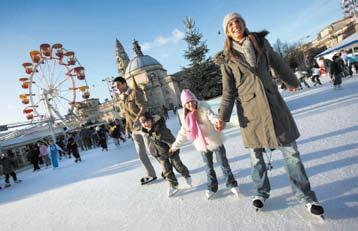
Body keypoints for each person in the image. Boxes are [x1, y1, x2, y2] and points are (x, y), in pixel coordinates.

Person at [214, 12, 324, 215]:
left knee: (291, 153)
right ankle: (261, 192)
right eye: (230, 25)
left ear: (243, 23)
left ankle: (306, 197)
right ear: (227, 33)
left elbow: (278, 62)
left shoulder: (261, 43)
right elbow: (229, 91)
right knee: (256, 157)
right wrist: (222, 117)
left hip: (273, 104)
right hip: (250, 112)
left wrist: (291, 81)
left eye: (237, 21)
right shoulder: (226, 59)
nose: (235, 25)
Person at [169, 89, 239, 199]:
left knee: (224, 164)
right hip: (202, 145)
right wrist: (174, 146)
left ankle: (231, 184)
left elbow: (212, 117)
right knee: (208, 167)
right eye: (187, 103)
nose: (190, 104)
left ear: (195, 100)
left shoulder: (204, 108)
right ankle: (212, 187)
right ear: (184, 105)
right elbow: (183, 133)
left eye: (191, 101)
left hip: (215, 140)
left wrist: (217, 121)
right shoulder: (186, 118)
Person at [113, 76, 157, 184]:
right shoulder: (123, 98)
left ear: (124, 84)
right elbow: (127, 115)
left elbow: (143, 107)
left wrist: (137, 119)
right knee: (141, 153)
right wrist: (127, 129)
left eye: (118, 85)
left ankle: (166, 169)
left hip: (143, 125)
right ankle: (151, 174)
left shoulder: (135, 92)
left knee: (151, 150)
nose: (117, 88)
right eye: (115, 87)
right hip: (134, 129)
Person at [139, 112, 191, 197]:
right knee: (166, 171)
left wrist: (173, 148)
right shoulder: (146, 131)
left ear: (152, 120)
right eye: (143, 123)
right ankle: (174, 185)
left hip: (171, 151)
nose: (146, 124)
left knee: (178, 166)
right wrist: (154, 153)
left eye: (147, 121)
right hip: (160, 154)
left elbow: (171, 140)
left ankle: (187, 176)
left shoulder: (160, 129)